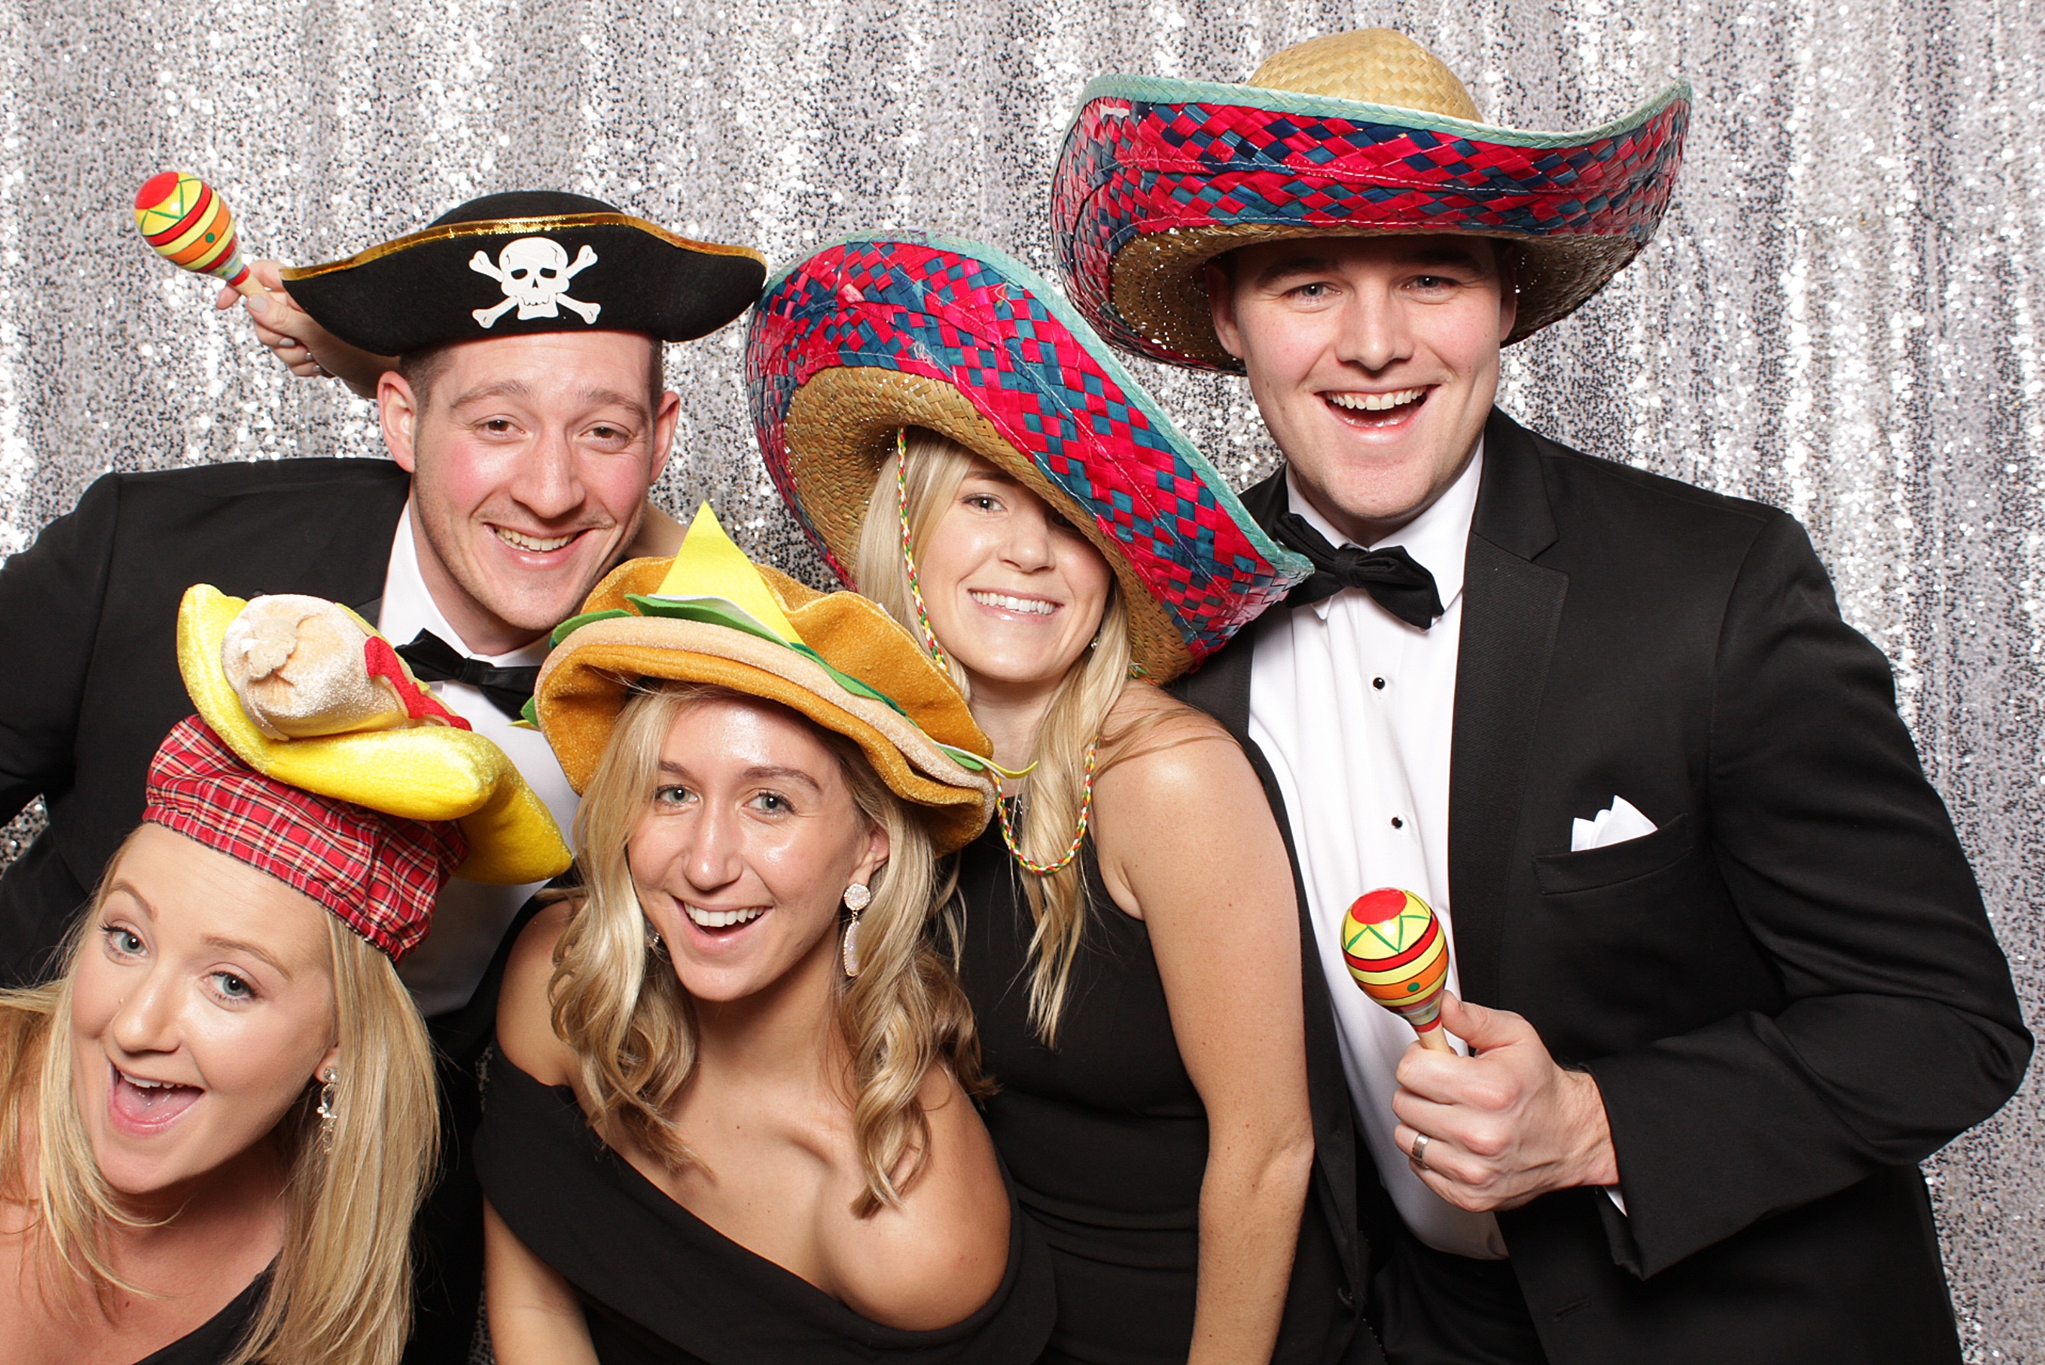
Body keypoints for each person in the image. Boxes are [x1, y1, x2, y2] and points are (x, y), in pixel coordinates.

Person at [1049, 27, 2032, 1365]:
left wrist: (1595, 1121)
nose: (1376, 345)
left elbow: (1947, 1024)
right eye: (1309, 283)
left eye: (1433, 276)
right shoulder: (1165, 631)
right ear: (1229, 318)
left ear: (1508, 293)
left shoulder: (1716, 589)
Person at [0, 188, 765, 1359]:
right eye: (494, 426)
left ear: (661, 444)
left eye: (602, 434)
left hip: (388, 1212)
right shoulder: (147, 559)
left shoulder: (701, 687)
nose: (551, 492)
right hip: (55, 1125)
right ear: (397, 420)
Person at [749, 234, 1373, 1363]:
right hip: (993, 1327)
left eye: (1073, 518)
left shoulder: (1164, 780)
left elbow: (1271, 1149)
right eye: (985, 500)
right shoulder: (878, 764)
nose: (1031, 552)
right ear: (904, 526)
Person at [478, 504, 1053, 1362]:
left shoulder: (908, 1224)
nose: (706, 863)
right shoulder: (560, 978)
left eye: (771, 801)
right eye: (671, 792)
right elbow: (533, 1305)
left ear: (869, 848)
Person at [0, 581, 569, 1365]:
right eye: (127, 939)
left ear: (338, 1039)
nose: (135, 1025)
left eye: (231, 983)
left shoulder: (347, 1288)